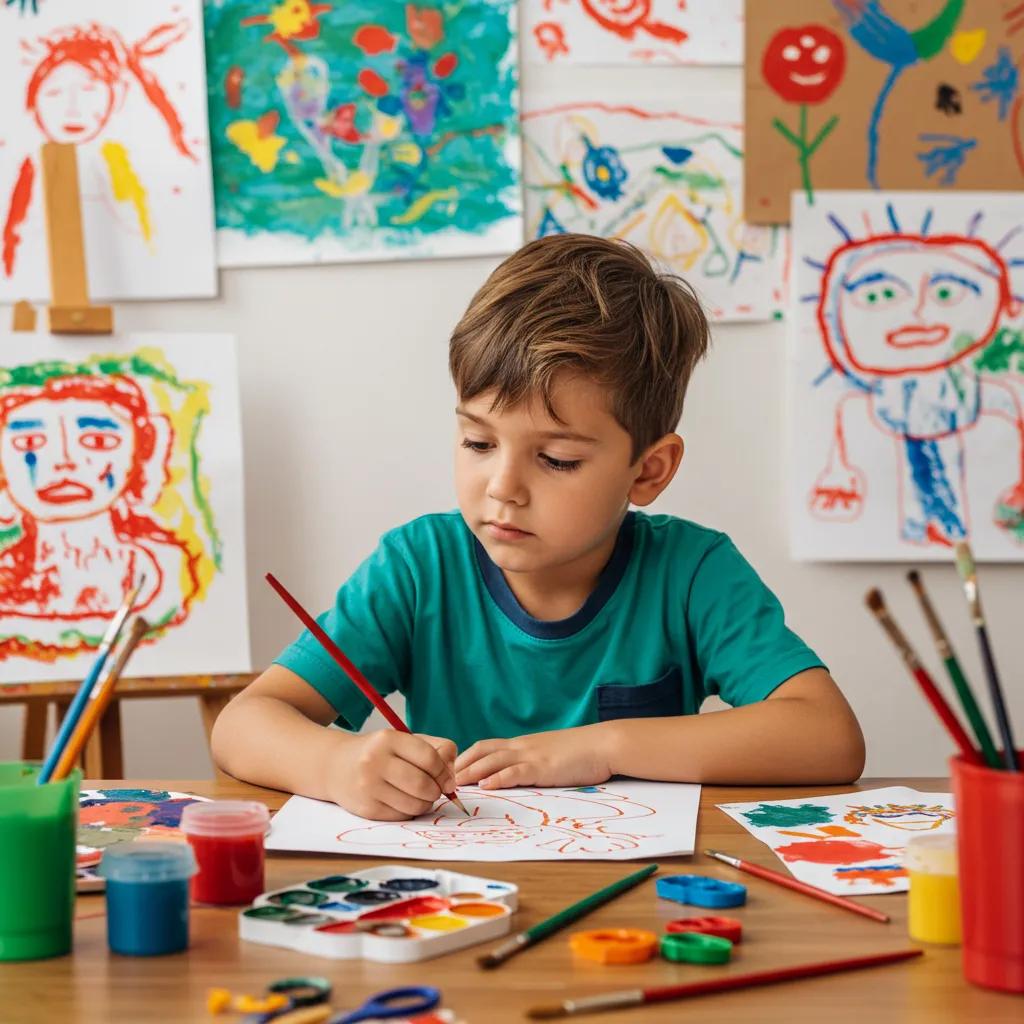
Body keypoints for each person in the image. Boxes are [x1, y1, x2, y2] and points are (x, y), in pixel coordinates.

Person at [213, 235, 865, 820]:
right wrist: (336, 765)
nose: (503, 487)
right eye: (478, 443)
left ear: (648, 470)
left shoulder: (693, 573)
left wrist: (602, 747)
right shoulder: (419, 567)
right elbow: (243, 724)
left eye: (555, 459)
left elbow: (828, 737)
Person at [0, 372, 199, 658]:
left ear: (143, 449)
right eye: (29, 441)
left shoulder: (167, 576)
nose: (63, 461)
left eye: (97, 440)